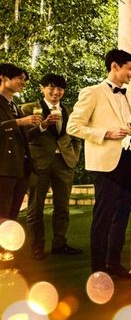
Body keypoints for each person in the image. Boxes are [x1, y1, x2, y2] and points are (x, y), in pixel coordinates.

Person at [67, 49, 131, 278]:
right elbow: (73, 126)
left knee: (122, 214)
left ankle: (113, 263)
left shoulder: (128, 95)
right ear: (115, 66)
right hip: (106, 164)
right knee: (103, 217)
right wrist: (106, 133)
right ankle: (97, 270)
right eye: (130, 69)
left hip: (128, 160)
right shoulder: (92, 92)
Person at [22, 74, 82, 260]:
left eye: (60, 89)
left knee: (62, 207)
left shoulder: (70, 110)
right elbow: (24, 137)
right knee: (35, 208)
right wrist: (43, 126)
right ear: (42, 88)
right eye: (51, 87)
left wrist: (74, 156)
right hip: (38, 163)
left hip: (64, 162)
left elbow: (76, 136)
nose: (56, 92)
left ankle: (60, 244)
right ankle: (36, 247)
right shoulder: (28, 108)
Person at [0, 64, 40, 222]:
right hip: (3, 169)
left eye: (24, 80)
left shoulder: (15, 106)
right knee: (2, 215)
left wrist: (43, 126)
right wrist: (19, 122)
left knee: (12, 217)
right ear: (3, 77)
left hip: (20, 169)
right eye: (19, 78)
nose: (23, 83)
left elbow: (23, 138)